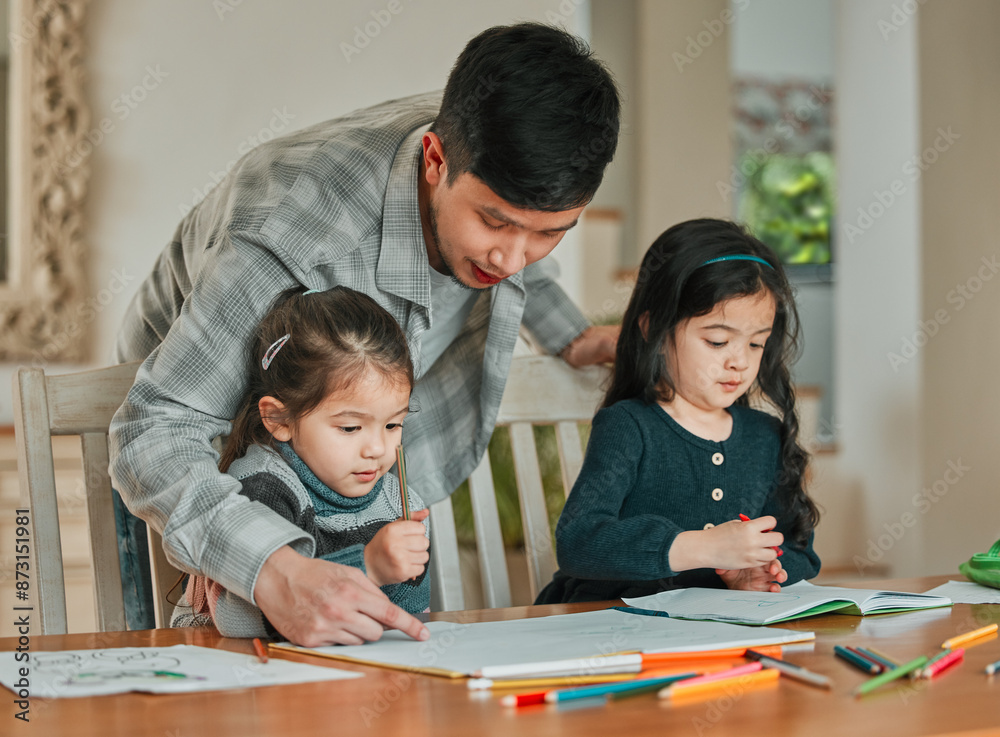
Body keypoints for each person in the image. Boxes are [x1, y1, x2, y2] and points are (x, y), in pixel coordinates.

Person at [108, 22, 620, 645]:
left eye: (550, 233)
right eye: (493, 221)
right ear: (435, 160)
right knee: (235, 649)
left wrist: (569, 335)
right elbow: (156, 430)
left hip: (334, 437)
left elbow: (517, 237)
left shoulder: (493, 144)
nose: (514, 260)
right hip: (200, 435)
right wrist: (270, 565)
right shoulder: (291, 237)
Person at [535, 218, 821, 605]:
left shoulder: (763, 435)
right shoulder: (630, 426)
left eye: (756, 344)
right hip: (607, 629)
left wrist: (764, 571)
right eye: (717, 341)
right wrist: (701, 547)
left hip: (712, 632)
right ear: (653, 329)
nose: (739, 362)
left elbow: (799, 548)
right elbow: (579, 542)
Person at [173, 287, 430, 637]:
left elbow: (404, 621)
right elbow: (236, 619)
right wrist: (369, 567)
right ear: (279, 420)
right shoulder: (262, 489)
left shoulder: (399, 501)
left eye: (392, 424)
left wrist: (402, 570)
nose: (376, 448)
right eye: (351, 427)